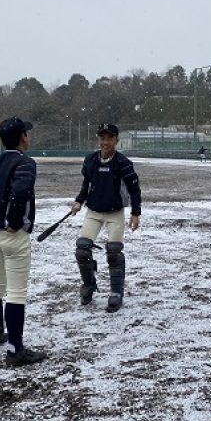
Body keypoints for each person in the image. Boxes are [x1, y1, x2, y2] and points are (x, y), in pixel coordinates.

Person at [0, 116, 46, 366]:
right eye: (26, 132)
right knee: (16, 292)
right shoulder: (25, 162)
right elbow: (20, 191)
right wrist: (15, 222)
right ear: (22, 137)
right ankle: (15, 350)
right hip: (10, 235)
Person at [70, 123, 141, 313]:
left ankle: (116, 292)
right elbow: (86, 184)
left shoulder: (123, 163)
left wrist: (135, 214)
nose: (105, 142)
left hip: (115, 213)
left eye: (109, 138)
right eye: (102, 138)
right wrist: (78, 201)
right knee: (82, 249)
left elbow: (135, 190)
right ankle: (88, 284)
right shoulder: (90, 160)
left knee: (114, 252)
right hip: (93, 212)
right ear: (98, 140)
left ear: (116, 140)